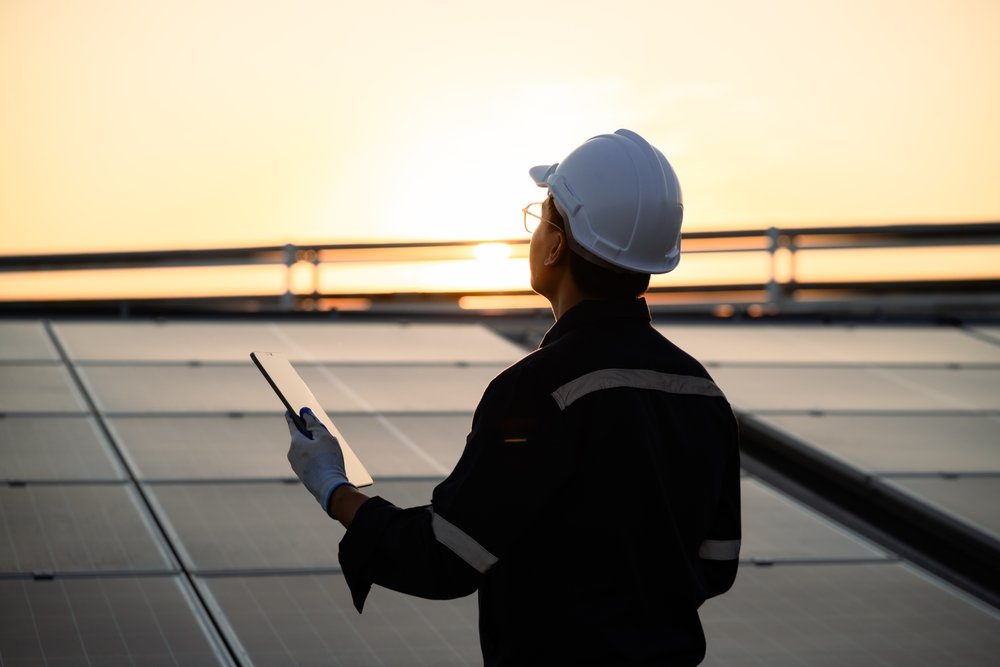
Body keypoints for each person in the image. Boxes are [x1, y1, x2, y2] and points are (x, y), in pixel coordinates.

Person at [286, 129, 741, 666]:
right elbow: (715, 564)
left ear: (555, 243)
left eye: (543, 214)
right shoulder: (701, 391)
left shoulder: (536, 391)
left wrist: (333, 488)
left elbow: (444, 557)